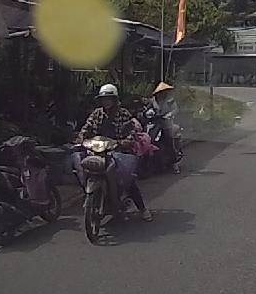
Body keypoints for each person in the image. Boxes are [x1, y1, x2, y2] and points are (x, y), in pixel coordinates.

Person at [75, 84, 152, 222]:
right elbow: (86, 128)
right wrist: (81, 139)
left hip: (119, 151)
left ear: (114, 99)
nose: (106, 102)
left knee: (128, 179)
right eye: (104, 99)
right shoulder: (97, 113)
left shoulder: (124, 114)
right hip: (97, 150)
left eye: (109, 99)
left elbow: (131, 133)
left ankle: (142, 209)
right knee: (80, 163)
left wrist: (123, 142)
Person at [150, 81, 182, 174]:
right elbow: (148, 109)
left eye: (165, 91)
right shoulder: (153, 101)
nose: (163, 93)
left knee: (169, 141)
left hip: (167, 123)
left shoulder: (170, 100)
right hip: (155, 123)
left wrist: (169, 114)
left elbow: (176, 109)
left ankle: (174, 163)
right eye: (161, 92)